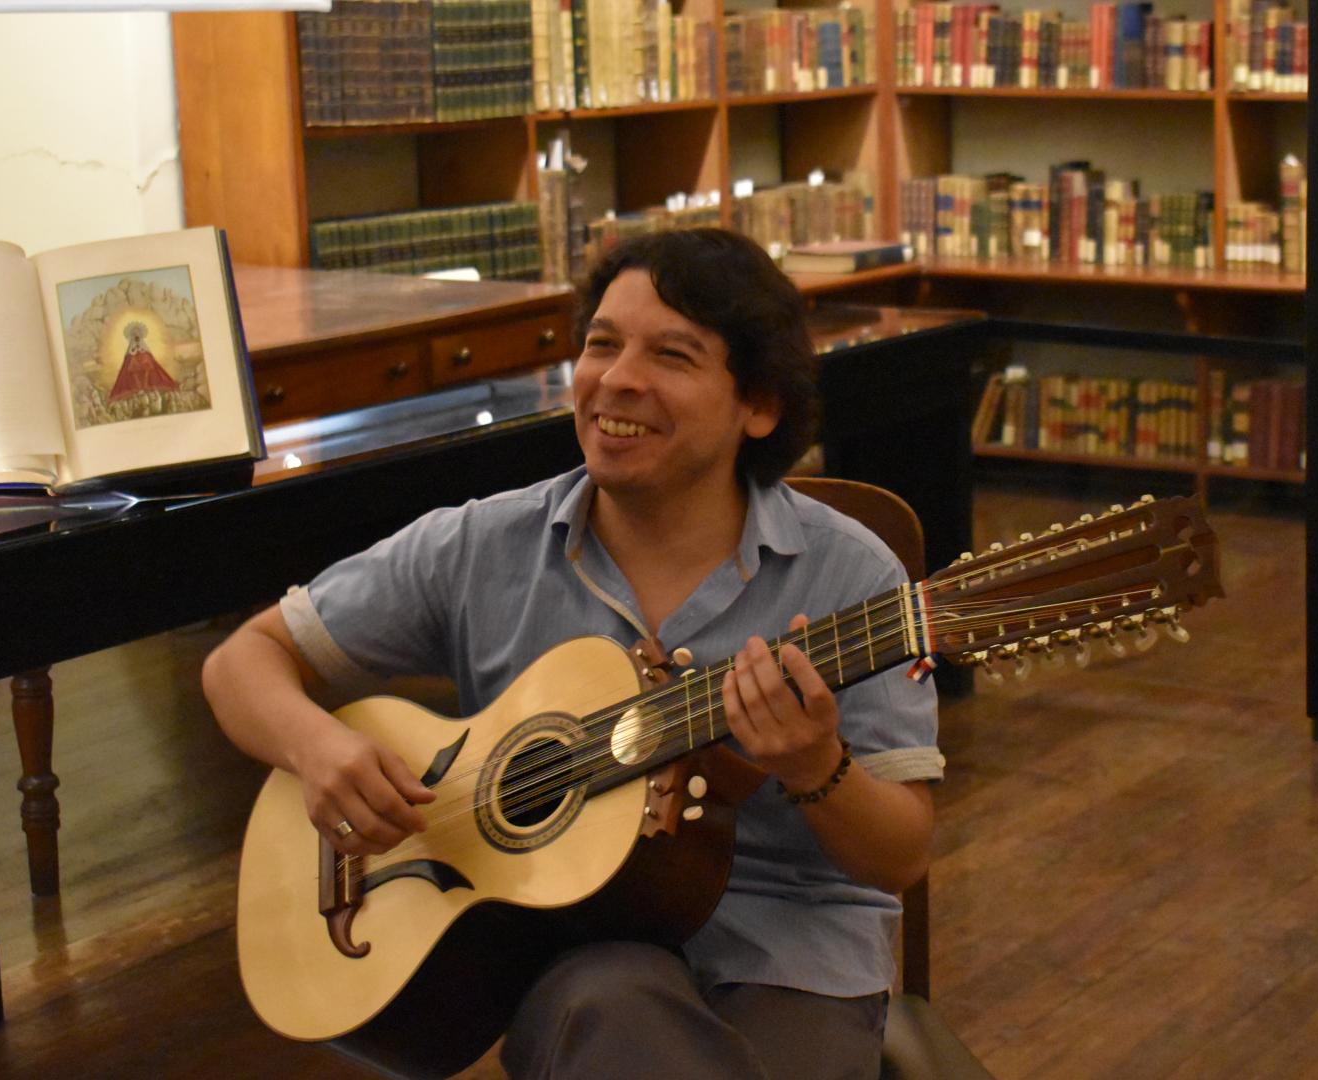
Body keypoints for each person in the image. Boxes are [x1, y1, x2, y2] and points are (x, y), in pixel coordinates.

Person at [202, 227, 942, 1079]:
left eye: (672, 354)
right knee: (611, 1005)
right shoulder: (483, 544)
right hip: (575, 953)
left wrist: (817, 764)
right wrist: (319, 746)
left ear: (759, 405)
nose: (617, 379)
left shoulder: (852, 574)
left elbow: (900, 857)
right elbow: (240, 664)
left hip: (791, 952)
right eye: (600, 344)